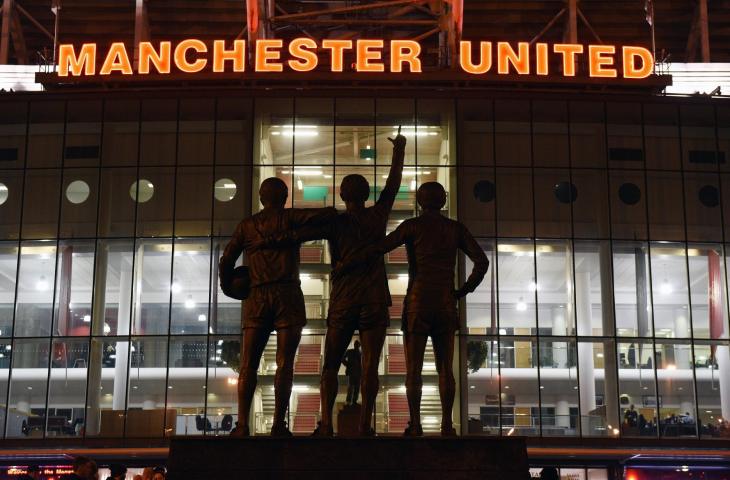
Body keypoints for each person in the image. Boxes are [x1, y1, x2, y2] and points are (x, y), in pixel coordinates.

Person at [261, 131, 406, 436]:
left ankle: (326, 425)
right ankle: (366, 426)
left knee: (330, 365)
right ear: (367, 195)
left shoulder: (335, 222)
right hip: (374, 299)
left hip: (343, 299)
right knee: (370, 366)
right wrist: (399, 153)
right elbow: (393, 186)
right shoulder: (378, 216)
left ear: (342, 195)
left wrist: (272, 238)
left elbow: (298, 234)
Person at [338, 182, 489, 436]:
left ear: (420, 201)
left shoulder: (412, 226)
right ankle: (446, 425)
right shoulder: (455, 229)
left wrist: (349, 261)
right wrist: (461, 291)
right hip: (444, 302)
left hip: (418, 301)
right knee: (445, 370)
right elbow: (481, 262)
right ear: (442, 200)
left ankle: (416, 425)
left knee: (414, 370)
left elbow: (380, 248)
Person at [219, 177, 336, 437]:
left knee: (249, 364)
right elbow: (322, 215)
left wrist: (229, 288)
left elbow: (226, 260)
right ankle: (278, 425)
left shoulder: (247, 225)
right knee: (285, 364)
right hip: (287, 294)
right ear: (284, 198)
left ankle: (242, 425)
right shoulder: (290, 217)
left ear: (261, 198)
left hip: (257, 296)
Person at [342, 340, 362, 405]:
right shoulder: (349, 351)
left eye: (358, 345)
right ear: (354, 345)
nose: (357, 346)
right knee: (351, 387)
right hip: (351, 372)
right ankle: (348, 401)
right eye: (356, 344)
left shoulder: (361, 353)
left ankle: (354, 401)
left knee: (357, 388)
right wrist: (347, 364)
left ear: (359, 346)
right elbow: (342, 358)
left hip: (358, 373)